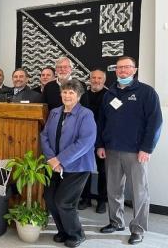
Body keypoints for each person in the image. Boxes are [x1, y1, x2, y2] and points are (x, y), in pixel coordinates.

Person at [97, 56, 162, 245]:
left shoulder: (147, 92)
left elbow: (155, 122)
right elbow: (102, 121)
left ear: (134, 70)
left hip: (136, 152)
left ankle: (138, 229)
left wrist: (146, 148)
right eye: (119, 68)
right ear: (115, 71)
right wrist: (100, 144)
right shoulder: (109, 94)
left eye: (127, 67)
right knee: (114, 189)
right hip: (111, 150)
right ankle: (116, 222)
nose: (122, 71)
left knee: (139, 192)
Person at [41, 79, 96, 248]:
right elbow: (44, 136)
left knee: (64, 201)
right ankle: (63, 231)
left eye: (71, 92)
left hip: (77, 166)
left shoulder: (86, 114)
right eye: (64, 92)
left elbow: (85, 141)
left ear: (78, 96)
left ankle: (76, 234)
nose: (67, 95)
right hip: (53, 165)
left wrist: (60, 159)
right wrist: (51, 159)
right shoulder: (55, 112)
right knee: (50, 199)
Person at [78, 69, 108, 213]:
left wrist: (103, 142)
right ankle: (86, 198)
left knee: (103, 171)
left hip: (101, 140)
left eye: (99, 78)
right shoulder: (83, 96)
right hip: (84, 139)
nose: (96, 80)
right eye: (93, 78)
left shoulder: (109, 96)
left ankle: (102, 200)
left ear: (104, 80)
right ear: (89, 79)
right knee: (86, 170)